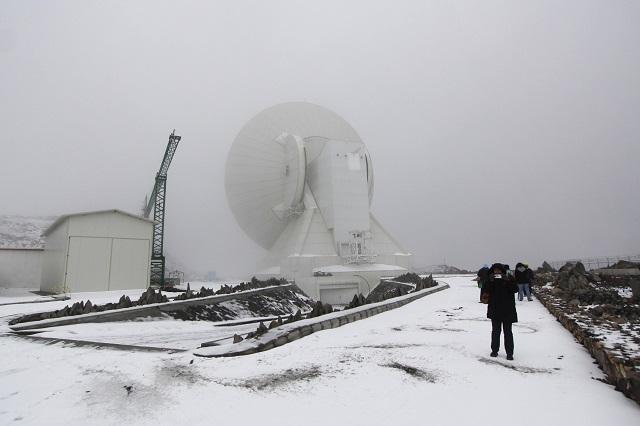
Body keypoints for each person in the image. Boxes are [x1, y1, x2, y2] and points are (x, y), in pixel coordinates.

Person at [484, 262, 518, 360]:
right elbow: (485, 291)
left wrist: (507, 281)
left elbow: (515, 289)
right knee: (495, 331)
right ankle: (494, 350)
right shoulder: (490, 279)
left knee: (508, 332)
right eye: (495, 270)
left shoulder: (509, 278)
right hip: (494, 309)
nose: (497, 272)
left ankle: (510, 353)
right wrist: (490, 282)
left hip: (508, 309)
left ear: (502, 270)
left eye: (499, 270)